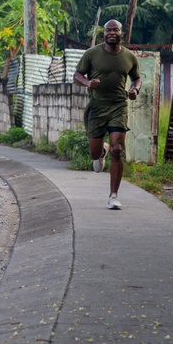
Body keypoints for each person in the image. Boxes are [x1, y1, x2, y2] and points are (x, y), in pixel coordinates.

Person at [73, 20, 142, 209]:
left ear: (122, 33)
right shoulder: (92, 54)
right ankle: (101, 151)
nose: (112, 32)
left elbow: (136, 78)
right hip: (97, 106)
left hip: (119, 105)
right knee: (94, 153)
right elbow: (77, 75)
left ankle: (113, 195)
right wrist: (87, 83)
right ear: (104, 33)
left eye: (116, 30)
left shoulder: (129, 56)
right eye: (108, 30)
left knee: (117, 150)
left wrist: (135, 90)